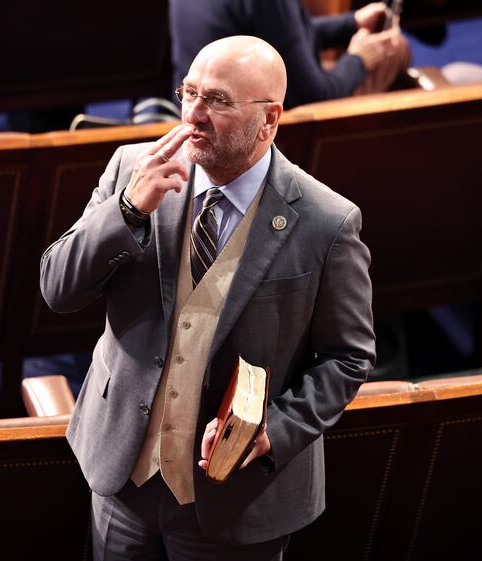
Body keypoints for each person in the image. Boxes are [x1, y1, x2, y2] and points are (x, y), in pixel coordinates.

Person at [40, 35, 375, 560]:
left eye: (216, 100)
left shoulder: (326, 222)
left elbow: (348, 357)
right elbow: (57, 289)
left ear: (269, 120)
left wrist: (276, 431)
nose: (192, 114)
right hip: (123, 476)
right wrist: (126, 210)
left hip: (235, 499)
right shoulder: (133, 169)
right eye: (188, 93)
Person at [169, 0, 411, 108]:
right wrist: (359, 59)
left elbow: (280, 34)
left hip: (193, 110)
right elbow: (314, 97)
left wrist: (351, 23)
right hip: (257, 138)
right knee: (395, 49)